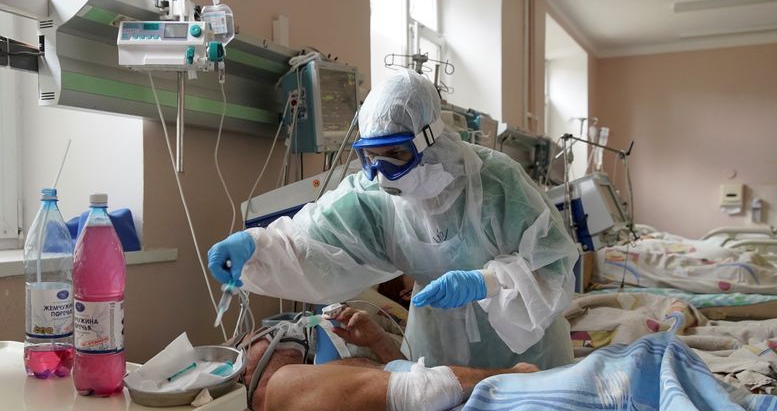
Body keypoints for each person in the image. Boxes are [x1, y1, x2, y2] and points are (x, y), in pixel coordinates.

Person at [208, 69, 579, 369]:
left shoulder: (496, 182)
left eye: (396, 154)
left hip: (526, 357)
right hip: (434, 357)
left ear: (429, 138)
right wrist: (256, 247)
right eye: (371, 157)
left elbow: (554, 269)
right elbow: (311, 241)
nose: (382, 172)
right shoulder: (374, 197)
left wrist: (486, 282)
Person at [242, 307, 539, 411]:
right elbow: (423, 391)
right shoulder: (283, 387)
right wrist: (514, 374)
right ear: (241, 369)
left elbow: (400, 381)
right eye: (253, 336)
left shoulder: (301, 386)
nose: (276, 330)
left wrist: (378, 342)